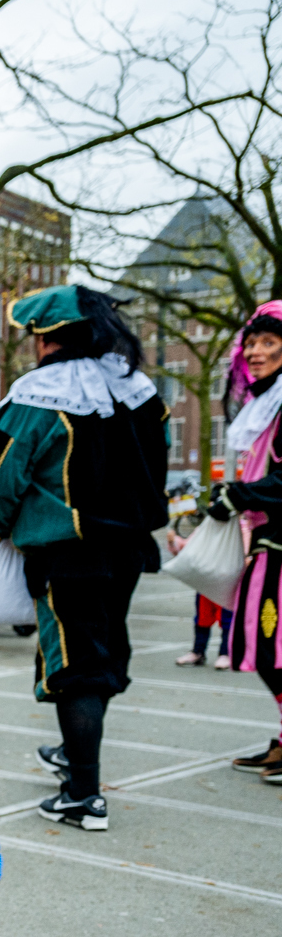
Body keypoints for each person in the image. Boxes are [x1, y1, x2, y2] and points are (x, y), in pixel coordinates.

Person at [0, 286, 169, 831]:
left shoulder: (38, 395)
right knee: (102, 657)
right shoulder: (139, 389)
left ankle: (83, 795)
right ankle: (74, 753)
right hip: (128, 550)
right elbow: (157, 466)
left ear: (45, 337)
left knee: (77, 669)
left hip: (67, 553)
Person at [210, 300, 282, 781]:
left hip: (280, 548)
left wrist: (240, 495)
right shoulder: (268, 405)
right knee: (266, 648)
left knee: (273, 646)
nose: (254, 352)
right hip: (266, 542)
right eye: (251, 343)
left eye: (268, 342)